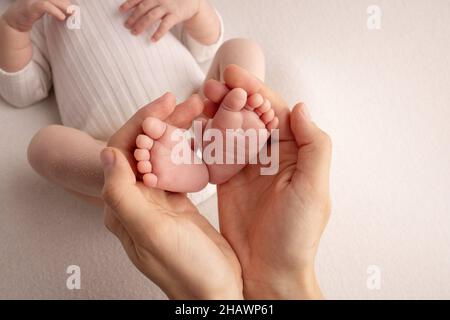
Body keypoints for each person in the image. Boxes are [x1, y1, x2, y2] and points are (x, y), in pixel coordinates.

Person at [101, 65, 332, 299]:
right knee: (235, 77)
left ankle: (227, 131)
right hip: (189, 142)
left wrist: (194, 25)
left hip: (171, 138)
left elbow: (208, 39)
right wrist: (278, 278)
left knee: (108, 159)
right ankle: (228, 132)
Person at [0, 0, 265, 204]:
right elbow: (23, 92)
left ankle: (232, 127)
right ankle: (125, 170)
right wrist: (13, 27)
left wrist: (193, 8)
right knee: (43, 146)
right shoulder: (36, 16)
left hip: (202, 116)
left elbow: (205, 43)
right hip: (122, 145)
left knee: (241, 49)